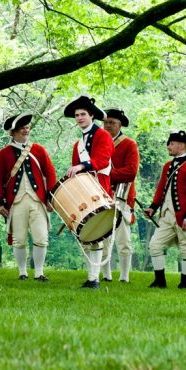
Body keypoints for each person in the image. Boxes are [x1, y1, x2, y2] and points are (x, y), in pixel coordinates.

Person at [0, 114, 58, 282]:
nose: (25, 129)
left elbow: (50, 173)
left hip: (38, 201)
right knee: (19, 240)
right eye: (21, 127)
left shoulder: (38, 150)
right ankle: (22, 272)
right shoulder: (4, 154)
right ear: (12, 132)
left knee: (41, 238)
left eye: (27, 127)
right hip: (16, 202)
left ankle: (39, 273)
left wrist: (51, 196)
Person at [63, 95, 114, 289]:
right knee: (86, 234)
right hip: (84, 189)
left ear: (91, 115)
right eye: (76, 115)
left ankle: (95, 278)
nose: (79, 118)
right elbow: (74, 167)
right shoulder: (79, 143)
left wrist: (82, 165)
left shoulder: (103, 136)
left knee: (97, 233)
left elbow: (102, 160)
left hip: (99, 187)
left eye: (83, 114)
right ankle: (91, 277)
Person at [145, 130, 186, 289]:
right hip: (166, 215)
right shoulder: (168, 166)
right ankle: (160, 281)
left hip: (184, 216)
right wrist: (153, 207)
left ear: (181, 145)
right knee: (155, 245)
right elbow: (161, 189)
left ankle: (185, 284)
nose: (168, 146)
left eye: (171, 143)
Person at [101, 108, 140, 283]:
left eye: (112, 123)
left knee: (123, 239)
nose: (108, 125)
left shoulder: (129, 144)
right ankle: (106, 274)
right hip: (102, 194)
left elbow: (131, 172)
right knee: (103, 237)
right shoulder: (99, 142)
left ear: (120, 125)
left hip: (122, 195)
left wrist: (106, 174)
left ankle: (124, 276)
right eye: (106, 122)